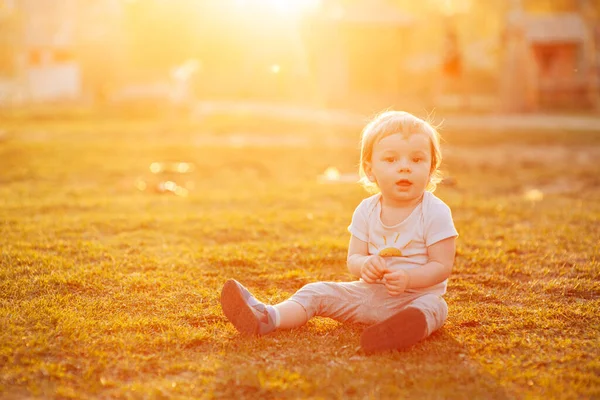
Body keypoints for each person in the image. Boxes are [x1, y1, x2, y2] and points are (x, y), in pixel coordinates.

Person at [220, 110, 458, 353]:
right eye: (391, 160)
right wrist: (365, 265)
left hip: (415, 299)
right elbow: (353, 259)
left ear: (431, 169)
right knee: (316, 291)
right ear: (370, 169)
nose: (404, 168)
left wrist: (409, 279)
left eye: (416, 160)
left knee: (436, 308)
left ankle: (399, 331)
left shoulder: (435, 212)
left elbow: (441, 266)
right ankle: (268, 317)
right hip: (370, 296)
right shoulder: (366, 210)